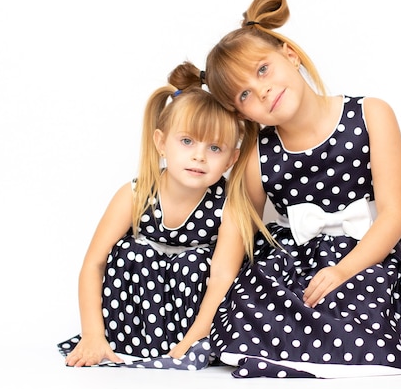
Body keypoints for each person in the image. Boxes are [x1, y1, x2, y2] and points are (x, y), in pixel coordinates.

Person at [189, 0, 401, 378]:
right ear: (241, 113)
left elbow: (393, 216)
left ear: (290, 54)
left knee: (354, 303)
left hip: (368, 258)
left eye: (263, 69)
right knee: (251, 304)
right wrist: (199, 331)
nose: (262, 89)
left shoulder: (370, 114)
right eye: (245, 94)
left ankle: (353, 349)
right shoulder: (257, 155)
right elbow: (229, 251)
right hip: (300, 266)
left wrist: (342, 270)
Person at [57, 62, 256, 370]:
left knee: (195, 262)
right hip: (130, 324)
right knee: (130, 250)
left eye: (214, 147)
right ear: (162, 143)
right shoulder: (135, 194)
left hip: (194, 322)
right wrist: (93, 334)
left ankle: (188, 337)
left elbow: (221, 279)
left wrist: (194, 341)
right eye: (187, 141)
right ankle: (117, 337)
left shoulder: (229, 203)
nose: (199, 156)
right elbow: (93, 264)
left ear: (231, 159)